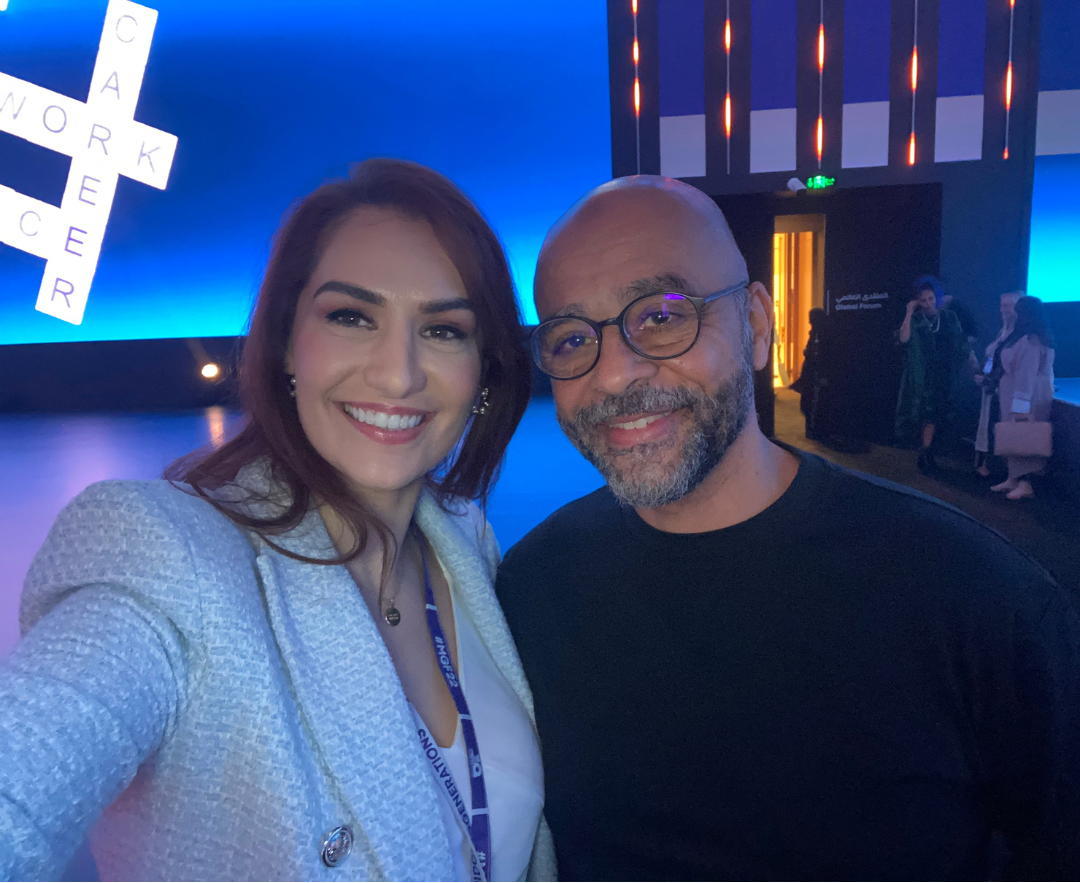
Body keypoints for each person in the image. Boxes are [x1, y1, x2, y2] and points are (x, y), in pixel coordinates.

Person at [496, 176, 1080, 881]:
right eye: (570, 338)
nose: (614, 374)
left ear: (757, 323)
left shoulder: (973, 597)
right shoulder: (530, 593)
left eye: (663, 315)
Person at [0, 159, 555, 882]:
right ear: (289, 343)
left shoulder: (465, 541)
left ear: (485, 369)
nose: (399, 373)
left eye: (445, 329)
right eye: (351, 317)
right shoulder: (170, 560)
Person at [895, 276, 971, 473]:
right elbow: (903, 339)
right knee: (922, 414)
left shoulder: (949, 317)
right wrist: (909, 312)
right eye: (923, 300)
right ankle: (925, 451)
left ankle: (928, 451)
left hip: (944, 374)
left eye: (931, 299)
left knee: (938, 414)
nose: (928, 303)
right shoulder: (916, 319)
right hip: (921, 374)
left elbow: (961, 343)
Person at [989, 295, 1057, 501]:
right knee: (1014, 433)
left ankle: (1025, 482)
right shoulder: (1025, 337)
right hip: (1015, 391)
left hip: (1027, 395)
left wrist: (1021, 405)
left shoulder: (1031, 342)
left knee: (1023, 434)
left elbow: (1026, 375)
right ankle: (1014, 477)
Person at [973, 291, 1022, 477]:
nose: (1003, 310)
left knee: (1002, 427)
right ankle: (985, 464)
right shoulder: (1003, 332)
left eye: (1007, 306)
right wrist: (984, 375)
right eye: (1002, 306)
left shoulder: (1021, 337)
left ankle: (1008, 471)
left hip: (1006, 390)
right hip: (992, 388)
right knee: (987, 425)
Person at [789, 307, 831, 441]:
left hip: (816, 375)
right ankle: (811, 430)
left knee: (813, 404)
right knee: (807, 403)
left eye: (812, 319)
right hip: (810, 374)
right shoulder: (815, 333)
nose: (809, 321)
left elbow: (822, 355)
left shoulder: (823, 334)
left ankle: (814, 431)